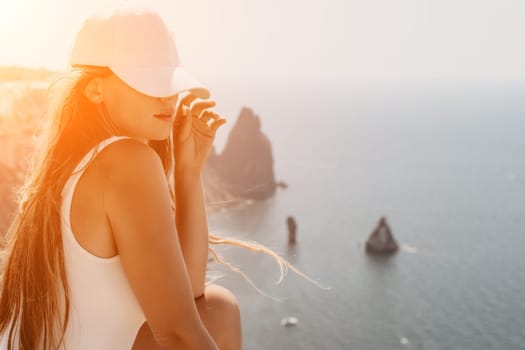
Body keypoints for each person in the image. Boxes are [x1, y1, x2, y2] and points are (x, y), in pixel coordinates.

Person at [0, 6, 270, 349]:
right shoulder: (125, 160)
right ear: (95, 90)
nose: (166, 96)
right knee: (218, 312)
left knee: (217, 309)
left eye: (168, 82)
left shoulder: (69, 164)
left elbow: (186, 295)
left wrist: (188, 173)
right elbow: (178, 335)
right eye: (148, 82)